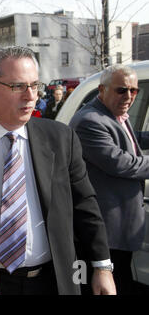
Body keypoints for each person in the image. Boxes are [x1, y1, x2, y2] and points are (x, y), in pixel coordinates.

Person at [0, 46, 115, 295]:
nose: (30, 96)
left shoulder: (60, 137)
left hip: (51, 281)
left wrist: (102, 267)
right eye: (18, 86)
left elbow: (84, 204)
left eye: (35, 85)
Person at [69, 64, 149, 295]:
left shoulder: (114, 115)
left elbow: (131, 140)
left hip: (119, 230)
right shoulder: (89, 120)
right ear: (102, 90)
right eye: (122, 90)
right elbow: (121, 162)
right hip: (103, 233)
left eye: (134, 91)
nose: (129, 96)